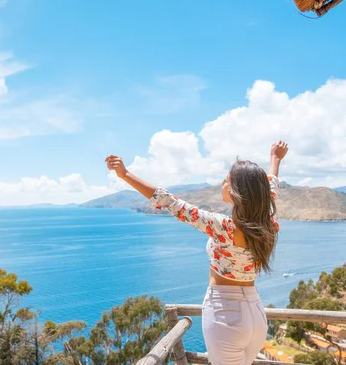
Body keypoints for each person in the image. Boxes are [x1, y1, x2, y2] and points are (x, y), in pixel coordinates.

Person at [105, 141, 289, 365]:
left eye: (226, 180)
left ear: (235, 191)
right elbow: (270, 187)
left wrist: (124, 174)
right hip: (257, 316)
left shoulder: (224, 228)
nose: (222, 183)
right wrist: (275, 159)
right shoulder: (268, 223)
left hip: (225, 316)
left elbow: (170, 202)